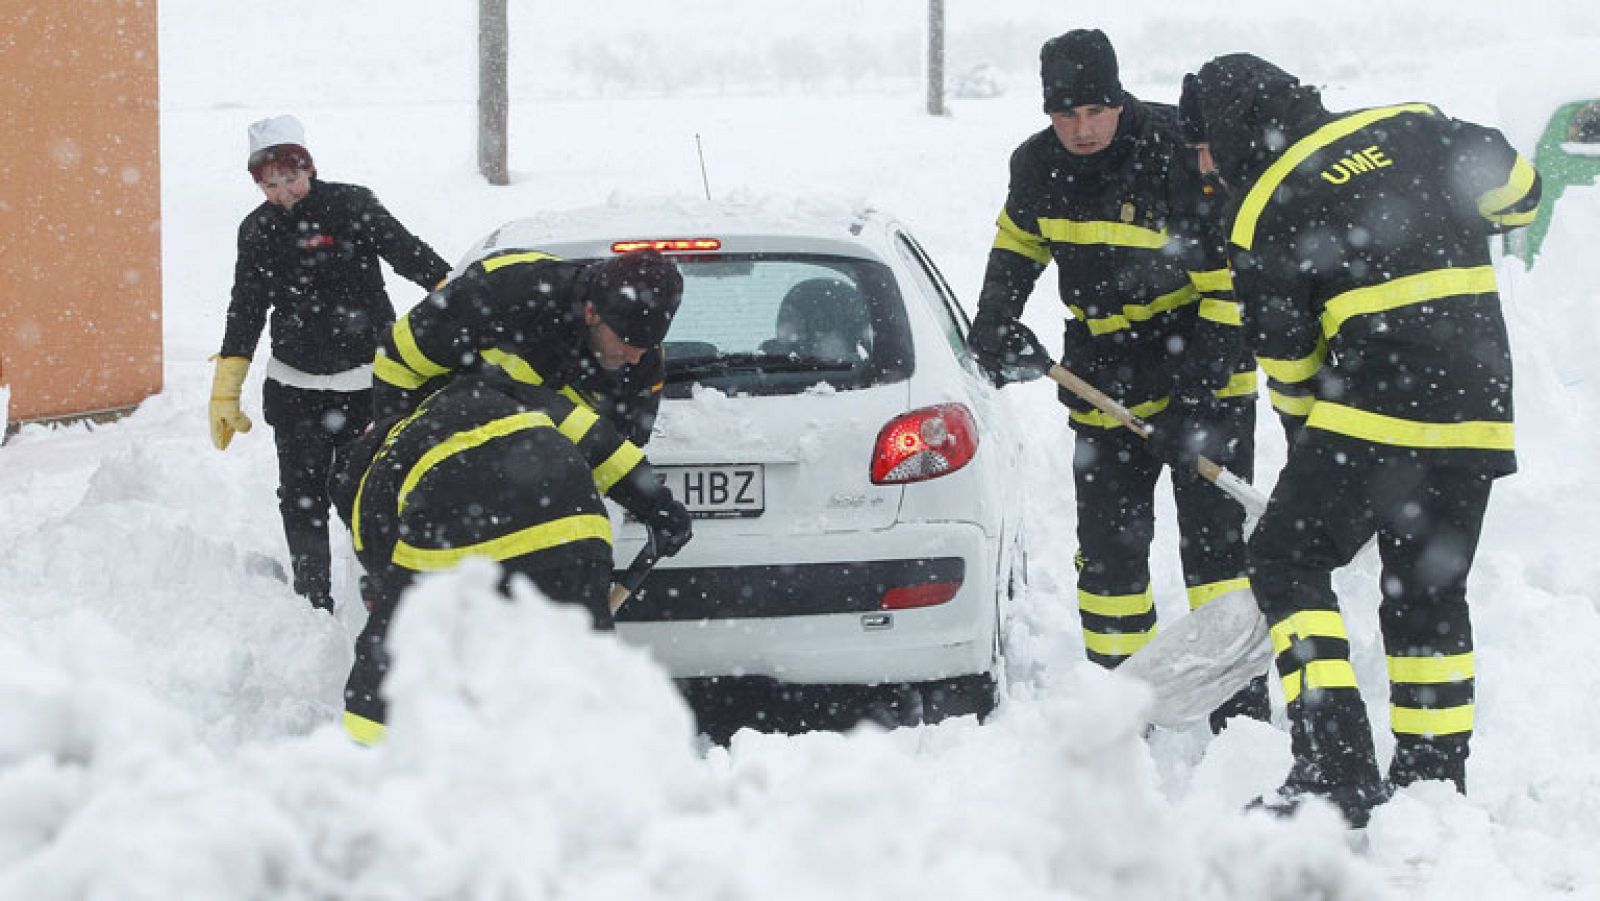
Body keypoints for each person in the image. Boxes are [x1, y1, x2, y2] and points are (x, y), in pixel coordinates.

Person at [1180, 54, 1541, 826]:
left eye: (1209, 146)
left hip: (1377, 411)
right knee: (1429, 591)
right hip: (1478, 408)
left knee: (1285, 555)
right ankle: (1433, 784)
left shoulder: (1264, 205)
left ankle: (1333, 765)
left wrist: (1319, 453)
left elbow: (1290, 364)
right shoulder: (1417, 123)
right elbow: (1520, 192)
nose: (1209, 168)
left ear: (1233, 132)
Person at [967, 29, 1268, 733]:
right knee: (1110, 559)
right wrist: (994, 314)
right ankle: (1124, 703)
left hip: (1206, 367)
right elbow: (1018, 241)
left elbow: (1228, 292)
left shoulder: (1173, 153)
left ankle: (1237, 707)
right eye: (1065, 114)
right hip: (1102, 372)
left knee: (1217, 555)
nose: (1081, 128)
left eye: (1094, 111)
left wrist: (1192, 405)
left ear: (1117, 98)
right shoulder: (1037, 166)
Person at [330, 371, 693, 745]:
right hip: (576, 525)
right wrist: (657, 507)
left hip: (466, 536)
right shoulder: (491, 390)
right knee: (580, 678)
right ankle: (590, 776)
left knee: (381, 673)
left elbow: (385, 571)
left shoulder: (374, 479)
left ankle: (369, 764)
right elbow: (600, 441)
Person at [209, 114, 450, 612]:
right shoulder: (256, 230)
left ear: (309, 169)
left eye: (290, 179)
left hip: (369, 386)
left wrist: (457, 300)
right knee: (300, 497)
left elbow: (414, 258)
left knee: (369, 492)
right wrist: (226, 385)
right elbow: (247, 306)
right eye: (269, 186)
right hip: (294, 386)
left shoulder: (351, 205)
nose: (283, 194)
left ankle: (385, 590)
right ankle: (311, 598)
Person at [372, 246, 682, 449]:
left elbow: (616, 449)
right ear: (592, 313)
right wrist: (394, 449)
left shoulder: (643, 359)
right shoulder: (501, 294)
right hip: (446, 440)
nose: (635, 357)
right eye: (627, 342)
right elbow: (396, 358)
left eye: (648, 345)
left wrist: (649, 503)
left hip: (535, 472)